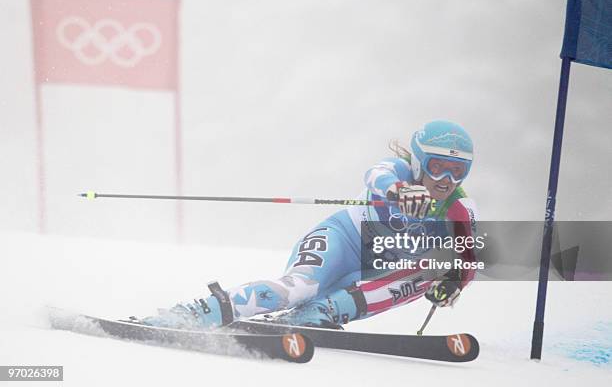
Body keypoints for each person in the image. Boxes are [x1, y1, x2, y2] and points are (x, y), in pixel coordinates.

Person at [141, 120, 479, 329]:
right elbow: (375, 175)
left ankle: (320, 314)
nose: (446, 179)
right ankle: (199, 312)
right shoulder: (399, 172)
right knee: (297, 288)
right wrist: (398, 190)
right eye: (437, 167)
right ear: (419, 161)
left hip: (374, 271)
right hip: (342, 240)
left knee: (434, 269)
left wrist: (453, 285)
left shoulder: (460, 209)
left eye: (458, 171)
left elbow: (467, 261)